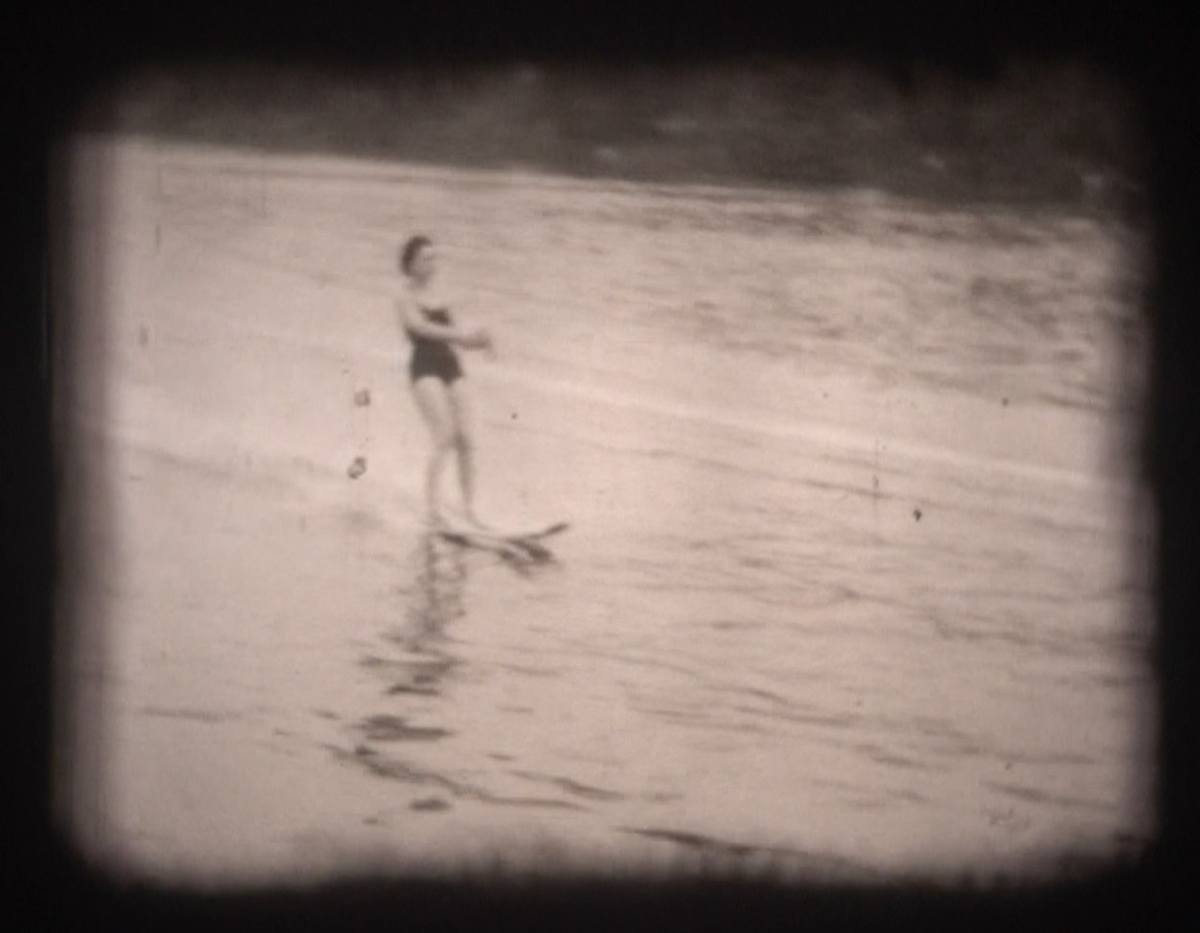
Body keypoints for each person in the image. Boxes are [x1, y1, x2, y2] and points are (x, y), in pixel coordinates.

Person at [397, 235, 495, 530]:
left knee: (467, 438)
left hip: (450, 363)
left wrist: (479, 340)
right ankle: (432, 512)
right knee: (444, 437)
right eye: (425, 259)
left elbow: (459, 337)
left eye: (434, 258)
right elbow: (420, 328)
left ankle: (469, 510)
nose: (432, 264)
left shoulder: (442, 295)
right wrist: (461, 336)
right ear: (411, 265)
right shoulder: (403, 296)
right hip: (424, 366)